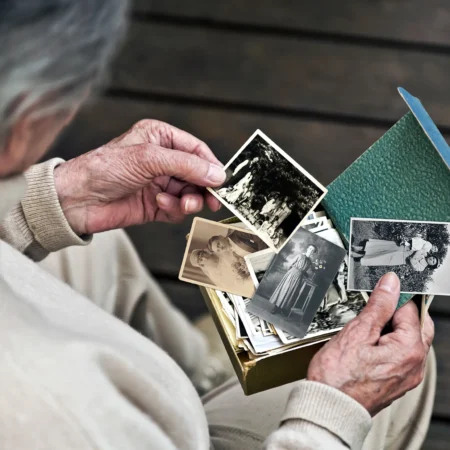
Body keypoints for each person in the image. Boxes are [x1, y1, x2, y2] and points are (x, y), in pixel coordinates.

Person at [0, 2, 436, 450]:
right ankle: (204, 377)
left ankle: (197, 368)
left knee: (94, 251)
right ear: (26, 115)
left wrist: (44, 206)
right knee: (407, 372)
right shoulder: (52, 415)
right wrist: (333, 413)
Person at [270, 245, 317, 316]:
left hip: (299, 277)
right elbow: (290, 264)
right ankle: (276, 307)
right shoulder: (300, 255)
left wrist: (306, 274)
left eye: (312, 250)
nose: (311, 250)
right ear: (307, 248)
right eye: (310, 248)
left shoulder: (310, 262)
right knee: (285, 289)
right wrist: (291, 273)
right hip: (292, 274)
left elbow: (304, 270)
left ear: (313, 252)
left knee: (291, 292)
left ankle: (283, 308)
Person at [351, 239, 440, 272]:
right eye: (433, 258)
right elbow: (417, 244)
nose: (432, 259)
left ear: (431, 265)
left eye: (433, 262)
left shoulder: (422, 268)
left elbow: (413, 261)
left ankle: (356, 256)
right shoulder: (424, 253)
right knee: (380, 247)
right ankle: (358, 248)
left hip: (399, 258)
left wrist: (418, 252)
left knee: (380, 257)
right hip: (402, 248)